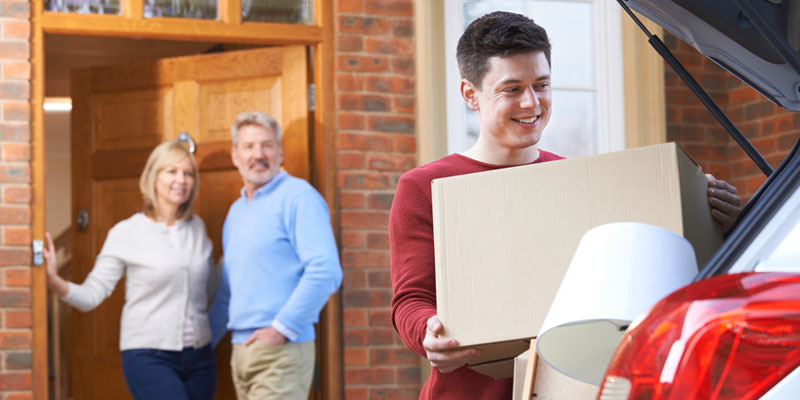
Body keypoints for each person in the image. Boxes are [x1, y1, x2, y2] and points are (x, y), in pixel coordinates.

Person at [389, 11, 742, 400]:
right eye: (512, 89)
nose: (532, 102)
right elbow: (411, 299)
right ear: (470, 94)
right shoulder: (424, 187)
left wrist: (718, 222)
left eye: (542, 84)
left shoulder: (573, 182)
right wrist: (429, 333)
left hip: (569, 388)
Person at [44, 140, 216, 400]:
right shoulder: (127, 232)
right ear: (153, 178)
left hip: (201, 357)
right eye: (172, 171)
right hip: (149, 355)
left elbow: (210, 287)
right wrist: (54, 281)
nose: (181, 179)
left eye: (188, 173)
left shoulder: (198, 228)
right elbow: (93, 294)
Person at [209, 111, 343, 400]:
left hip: (281, 350)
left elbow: (326, 270)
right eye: (248, 146)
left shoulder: (298, 197)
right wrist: (204, 342)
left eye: (267, 145)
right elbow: (228, 289)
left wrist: (280, 329)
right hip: (240, 351)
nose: (258, 154)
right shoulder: (236, 212)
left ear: (280, 151)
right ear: (235, 155)